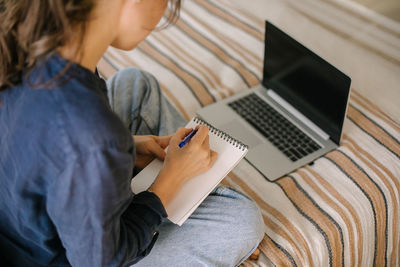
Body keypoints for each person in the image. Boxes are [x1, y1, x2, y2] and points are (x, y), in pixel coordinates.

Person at [0, 0, 264, 266]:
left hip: (28, 215)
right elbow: (102, 260)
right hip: (66, 255)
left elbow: (36, 142)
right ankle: (185, 193)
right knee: (240, 221)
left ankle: (179, 184)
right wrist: (169, 180)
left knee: (137, 84)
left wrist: (131, 146)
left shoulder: (36, 41)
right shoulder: (91, 133)